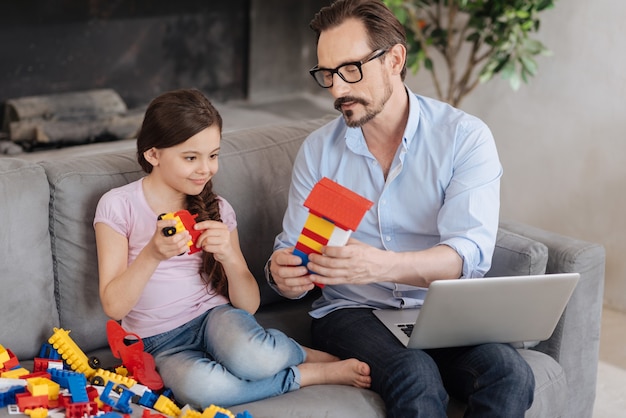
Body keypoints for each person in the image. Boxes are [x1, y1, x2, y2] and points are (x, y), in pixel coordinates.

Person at [266, 1, 535, 417]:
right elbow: (294, 252)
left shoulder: (463, 138)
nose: (337, 89)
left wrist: (378, 265)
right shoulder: (319, 152)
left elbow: (468, 256)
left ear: (394, 59)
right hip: (352, 311)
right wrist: (283, 275)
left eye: (350, 70)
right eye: (327, 74)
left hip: (440, 308)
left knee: (510, 374)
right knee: (414, 373)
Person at [93, 88, 371, 409]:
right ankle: (306, 373)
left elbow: (248, 305)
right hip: (159, 342)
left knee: (254, 358)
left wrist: (228, 255)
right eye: (190, 157)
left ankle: (296, 351)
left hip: (216, 318)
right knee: (204, 390)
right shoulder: (118, 206)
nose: (206, 169)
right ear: (153, 155)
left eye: (213, 155)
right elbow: (114, 306)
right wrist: (152, 254)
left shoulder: (219, 209)